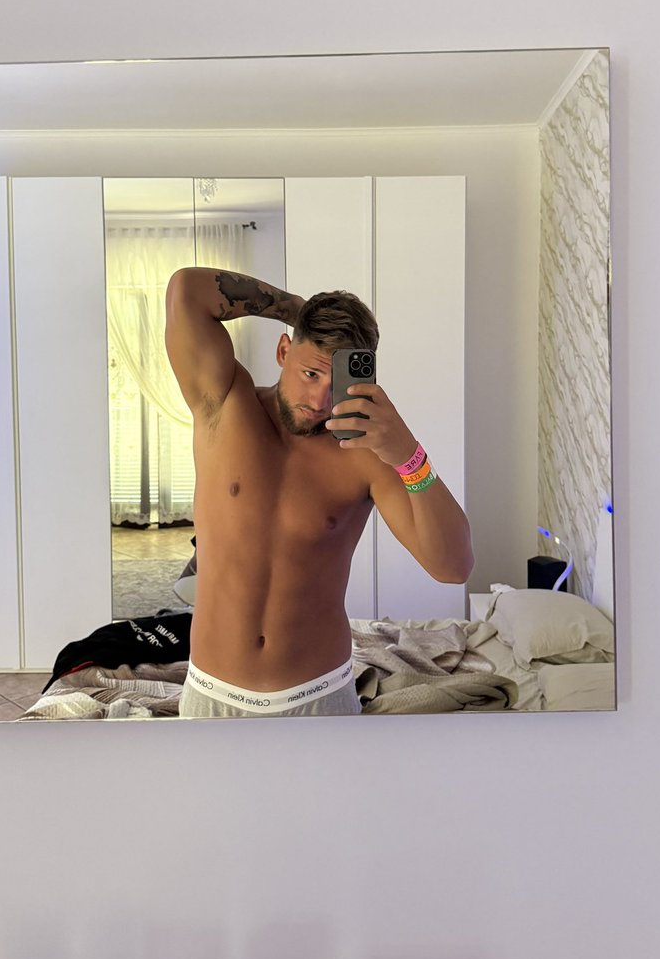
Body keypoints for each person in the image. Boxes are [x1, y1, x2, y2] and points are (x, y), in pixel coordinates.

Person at [165, 267, 473, 718]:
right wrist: (297, 309)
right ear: (283, 350)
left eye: (335, 384)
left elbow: (453, 566)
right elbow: (187, 291)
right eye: (310, 373)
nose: (319, 400)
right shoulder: (224, 403)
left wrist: (409, 454)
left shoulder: (367, 453)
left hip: (318, 698)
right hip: (213, 695)